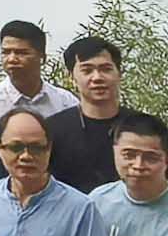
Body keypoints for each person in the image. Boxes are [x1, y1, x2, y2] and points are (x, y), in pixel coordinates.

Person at [38, 36, 138, 195]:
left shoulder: (141, 126)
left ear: (120, 73)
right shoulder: (51, 129)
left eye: (106, 69)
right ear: (71, 77)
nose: (97, 78)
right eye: (87, 70)